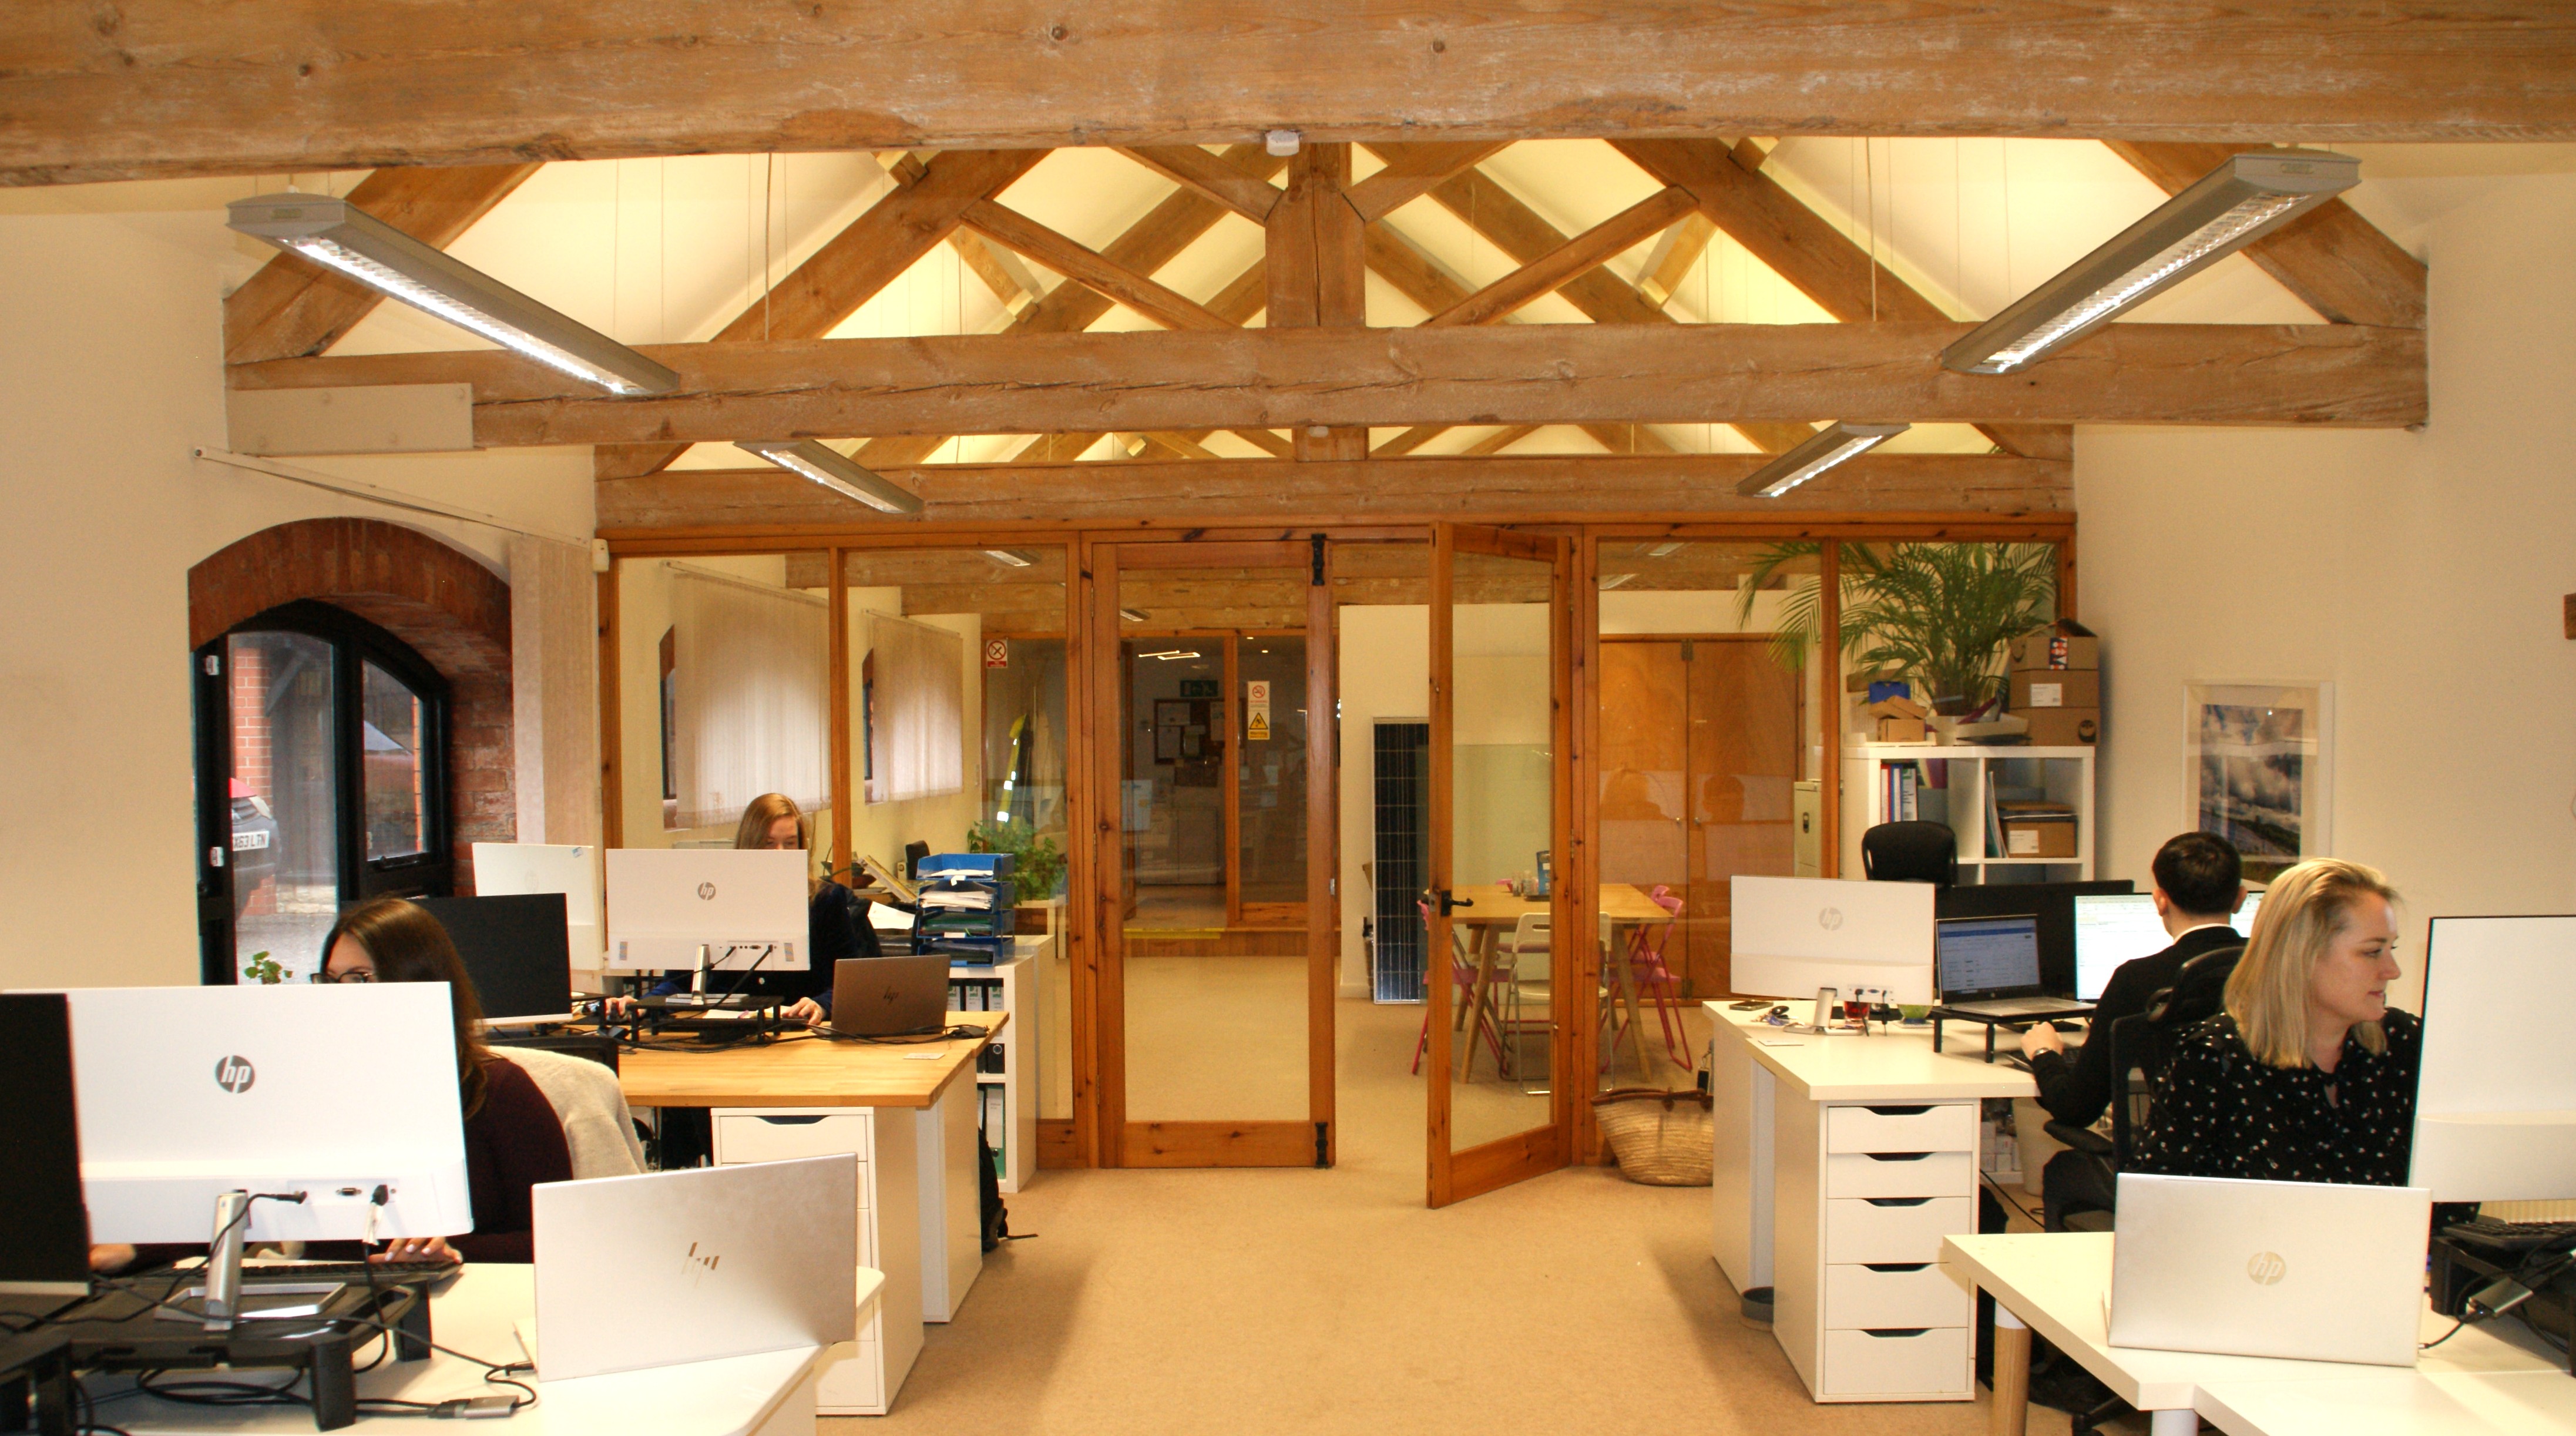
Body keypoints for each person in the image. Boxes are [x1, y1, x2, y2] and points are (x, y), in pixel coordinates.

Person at [91, 897, 575, 1275]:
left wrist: (451, 1248)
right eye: (332, 980)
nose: (344, 996)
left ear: (417, 981)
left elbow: (557, 1234)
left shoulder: (497, 1092)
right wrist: (135, 1247)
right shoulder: (306, 1094)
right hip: (337, 1303)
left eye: (362, 979)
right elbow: (244, 1201)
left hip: (469, 1301)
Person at [2131, 858, 2418, 1185]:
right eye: (2372, 952)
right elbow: (2156, 1203)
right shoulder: (2216, 1057)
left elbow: (2447, 1201)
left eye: (2391, 948)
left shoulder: (2405, 1041)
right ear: (2302, 953)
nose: (2393, 971)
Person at [2021, 832, 2247, 1227]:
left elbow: (2075, 1108)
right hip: (2258, 1175)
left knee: (2061, 1169)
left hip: (2168, 1174)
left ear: (2159, 899)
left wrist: (2044, 1055)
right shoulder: (2278, 973)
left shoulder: (2137, 980)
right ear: (2240, 897)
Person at [622, 794, 875, 1025]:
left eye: (790, 844)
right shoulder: (714, 901)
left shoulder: (825, 901)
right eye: (769, 844)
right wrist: (643, 1005)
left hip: (798, 1031)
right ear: (749, 845)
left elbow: (847, 981)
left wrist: (822, 1004)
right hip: (727, 1030)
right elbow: (681, 981)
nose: (780, 854)